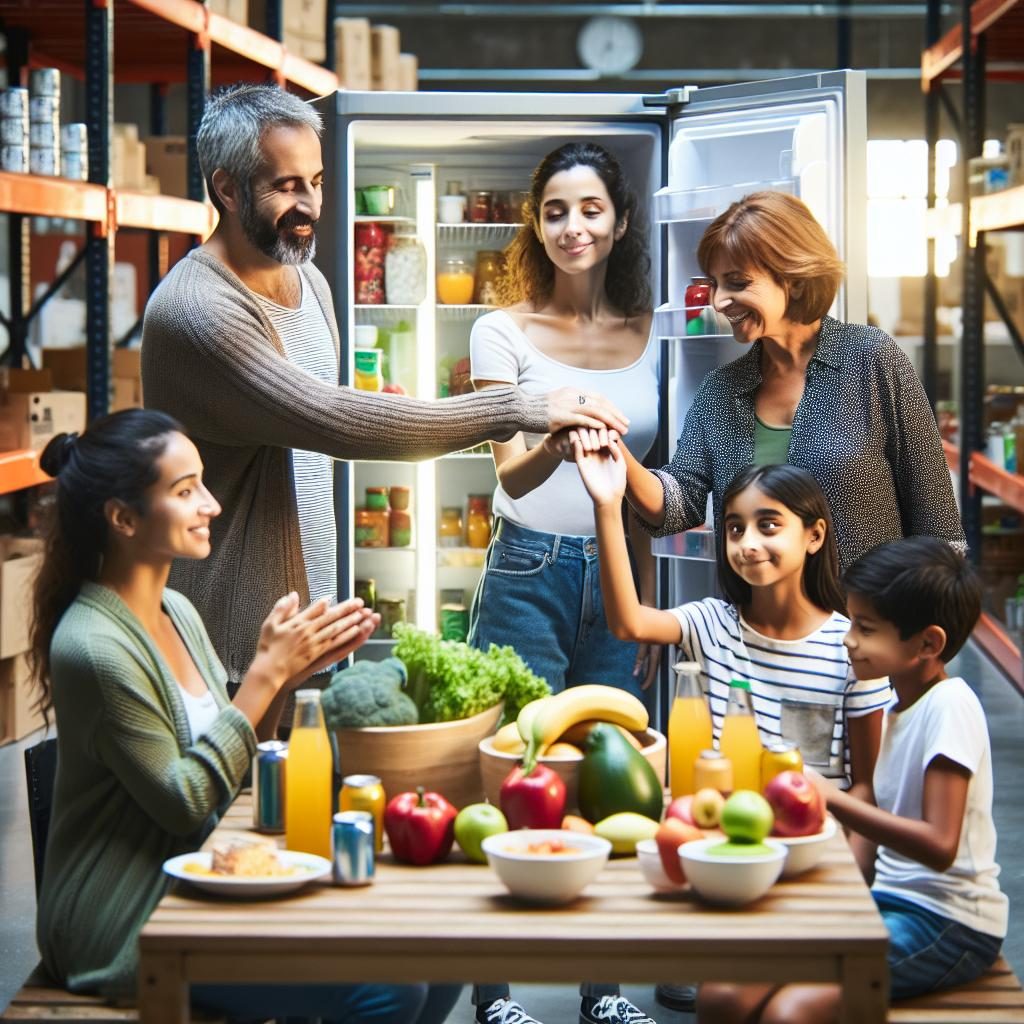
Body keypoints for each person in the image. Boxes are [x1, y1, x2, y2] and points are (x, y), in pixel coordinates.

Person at [141, 85, 627, 694]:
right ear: (228, 189)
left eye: (316, 182)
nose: (311, 204)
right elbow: (331, 419)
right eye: (286, 186)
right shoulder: (197, 311)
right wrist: (519, 407)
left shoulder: (309, 281)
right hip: (234, 640)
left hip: (312, 616)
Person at [30, 409, 461, 1024]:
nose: (211, 504)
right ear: (122, 518)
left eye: (203, 483)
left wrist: (284, 677)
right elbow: (184, 799)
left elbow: (237, 771)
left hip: (210, 878)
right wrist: (260, 676)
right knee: (390, 993)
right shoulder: (93, 647)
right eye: (184, 492)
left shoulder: (176, 609)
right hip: (129, 919)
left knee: (441, 956)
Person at [696, 537, 1008, 1023]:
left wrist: (831, 800)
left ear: (928, 644)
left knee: (791, 1012)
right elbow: (874, 834)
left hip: (949, 922)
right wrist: (833, 898)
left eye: (865, 627)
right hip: (887, 900)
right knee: (722, 994)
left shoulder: (951, 707)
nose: (848, 638)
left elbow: (940, 844)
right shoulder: (894, 703)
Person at [615, 190, 964, 571]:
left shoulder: (871, 358)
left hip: (864, 624)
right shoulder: (721, 390)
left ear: (794, 280)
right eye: (715, 284)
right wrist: (615, 455)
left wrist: (921, 619)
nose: (717, 302)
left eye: (737, 282)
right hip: (756, 625)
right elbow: (680, 504)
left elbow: (938, 523)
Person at [468, 141, 660, 702]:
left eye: (590, 210)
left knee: (616, 758)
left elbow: (653, 482)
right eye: (555, 213)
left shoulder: (653, 335)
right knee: (519, 756)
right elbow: (510, 478)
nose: (572, 227)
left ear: (620, 224)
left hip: (621, 569)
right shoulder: (500, 332)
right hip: (527, 569)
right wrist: (557, 443)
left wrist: (647, 594)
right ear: (537, 224)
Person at [574, 450, 889, 791]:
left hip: (812, 838)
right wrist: (606, 505)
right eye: (736, 529)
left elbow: (866, 788)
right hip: (714, 833)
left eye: (768, 525)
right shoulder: (709, 624)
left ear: (814, 536)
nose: (748, 544)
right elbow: (628, 623)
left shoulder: (852, 650)